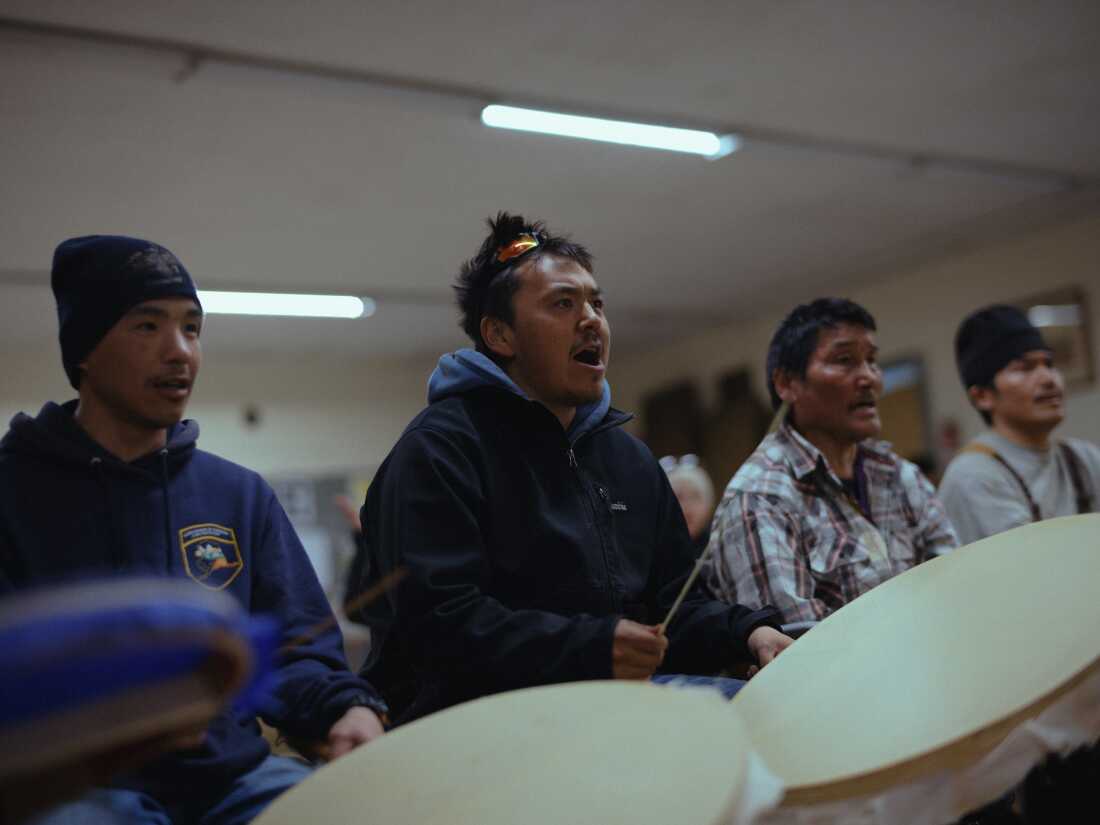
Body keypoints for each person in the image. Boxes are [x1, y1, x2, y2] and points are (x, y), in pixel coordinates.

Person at [0, 236, 387, 825]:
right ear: (84, 349)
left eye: (192, 327)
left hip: (231, 780)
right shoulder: (11, 491)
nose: (179, 352)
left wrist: (347, 708)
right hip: (80, 792)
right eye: (147, 326)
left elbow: (298, 651)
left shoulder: (238, 493)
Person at [351, 213, 791, 722]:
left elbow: (677, 605)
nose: (591, 320)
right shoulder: (438, 451)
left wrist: (746, 631)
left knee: (778, 713)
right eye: (563, 303)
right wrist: (593, 646)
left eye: (596, 303)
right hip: (474, 726)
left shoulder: (628, 459)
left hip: (610, 707)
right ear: (500, 335)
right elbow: (437, 626)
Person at [705, 298, 957, 624]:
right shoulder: (761, 497)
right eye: (844, 360)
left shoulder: (899, 476)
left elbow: (955, 590)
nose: (869, 377)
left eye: (872, 361)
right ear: (786, 384)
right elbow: (803, 652)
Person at [937, 305, 1100, 544]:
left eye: (1049, 364)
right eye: (1024, 368)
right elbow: (1030, 569)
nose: (1048, 379)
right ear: (982, 396)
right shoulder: (974, 477)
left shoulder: (1082, 458)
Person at [659, 454, 716, 552]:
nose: (687, 506)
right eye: (678, 497)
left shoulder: (719, 548)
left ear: (709, 506)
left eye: (695, 497)